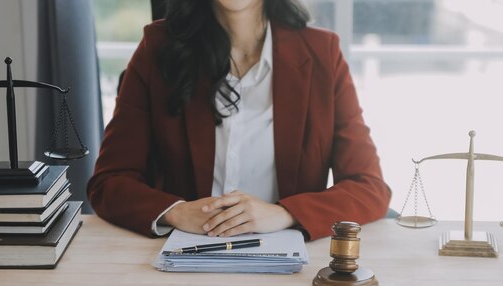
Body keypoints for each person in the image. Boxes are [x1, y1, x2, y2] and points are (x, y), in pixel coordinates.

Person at [87, 0, 391, 241]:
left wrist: (284, 214)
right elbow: (109, 183)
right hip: (183, 265)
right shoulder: (157, 49)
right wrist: (176, 213)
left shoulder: (323, 54)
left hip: (288, 266)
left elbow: (369, 188)